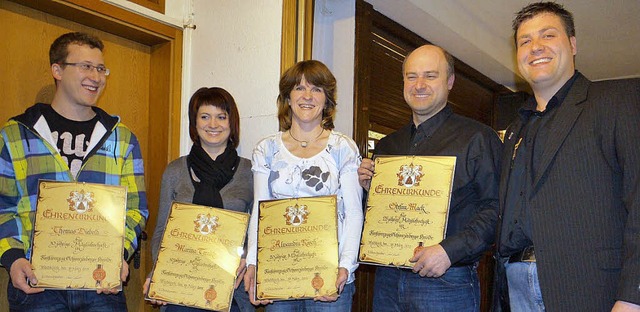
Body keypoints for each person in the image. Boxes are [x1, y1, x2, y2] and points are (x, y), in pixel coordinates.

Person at [493, 2, 640, 312]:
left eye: (548, 35)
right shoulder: (516, 128)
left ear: (572, 44)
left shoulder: (617, 101)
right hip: (514, 285)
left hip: (590, 289)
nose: (535, 47)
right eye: (525, 41)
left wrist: (631, 297)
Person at [0, 32, 148, 310]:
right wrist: (13, 257)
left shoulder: (123, 139)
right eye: (85, 66)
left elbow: (136, 209)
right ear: (57, 70)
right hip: (37, 283)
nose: (96, 76)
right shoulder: (14, 135)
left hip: (102, 285)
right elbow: (3, 205)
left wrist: (121, 253)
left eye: (101, 68)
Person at [357, 44, 502, 312]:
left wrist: (449, 250)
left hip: (446, 282)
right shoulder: (388, 146)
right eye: (411, 76)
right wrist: (368, 190)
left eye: (430, 76)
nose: (419, 84)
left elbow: (496, 208)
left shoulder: (477, 138)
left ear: (449, 82)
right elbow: (380, 214)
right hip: (387, 281)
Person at [243, 60, 364, 311]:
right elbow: (260, 210)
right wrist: (255, 262)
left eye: (316, 89)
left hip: (330, 272)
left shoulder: (343, 147)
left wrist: (345, 265)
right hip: (279, 270)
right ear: (288, 97)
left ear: (327, 99)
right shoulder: (266, 149)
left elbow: (353, 212)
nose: (307, 96)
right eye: (299, 88)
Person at [144, 87, 255, 312]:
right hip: (181, 292)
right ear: (194, 123)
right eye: (204, 116)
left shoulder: (250, 171)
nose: (213, 124)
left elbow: (257, 233)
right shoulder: (175, 170)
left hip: (232, 293)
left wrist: (248, 261)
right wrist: (160, 273)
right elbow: (161, 232)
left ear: (231, 122)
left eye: (221, 117)